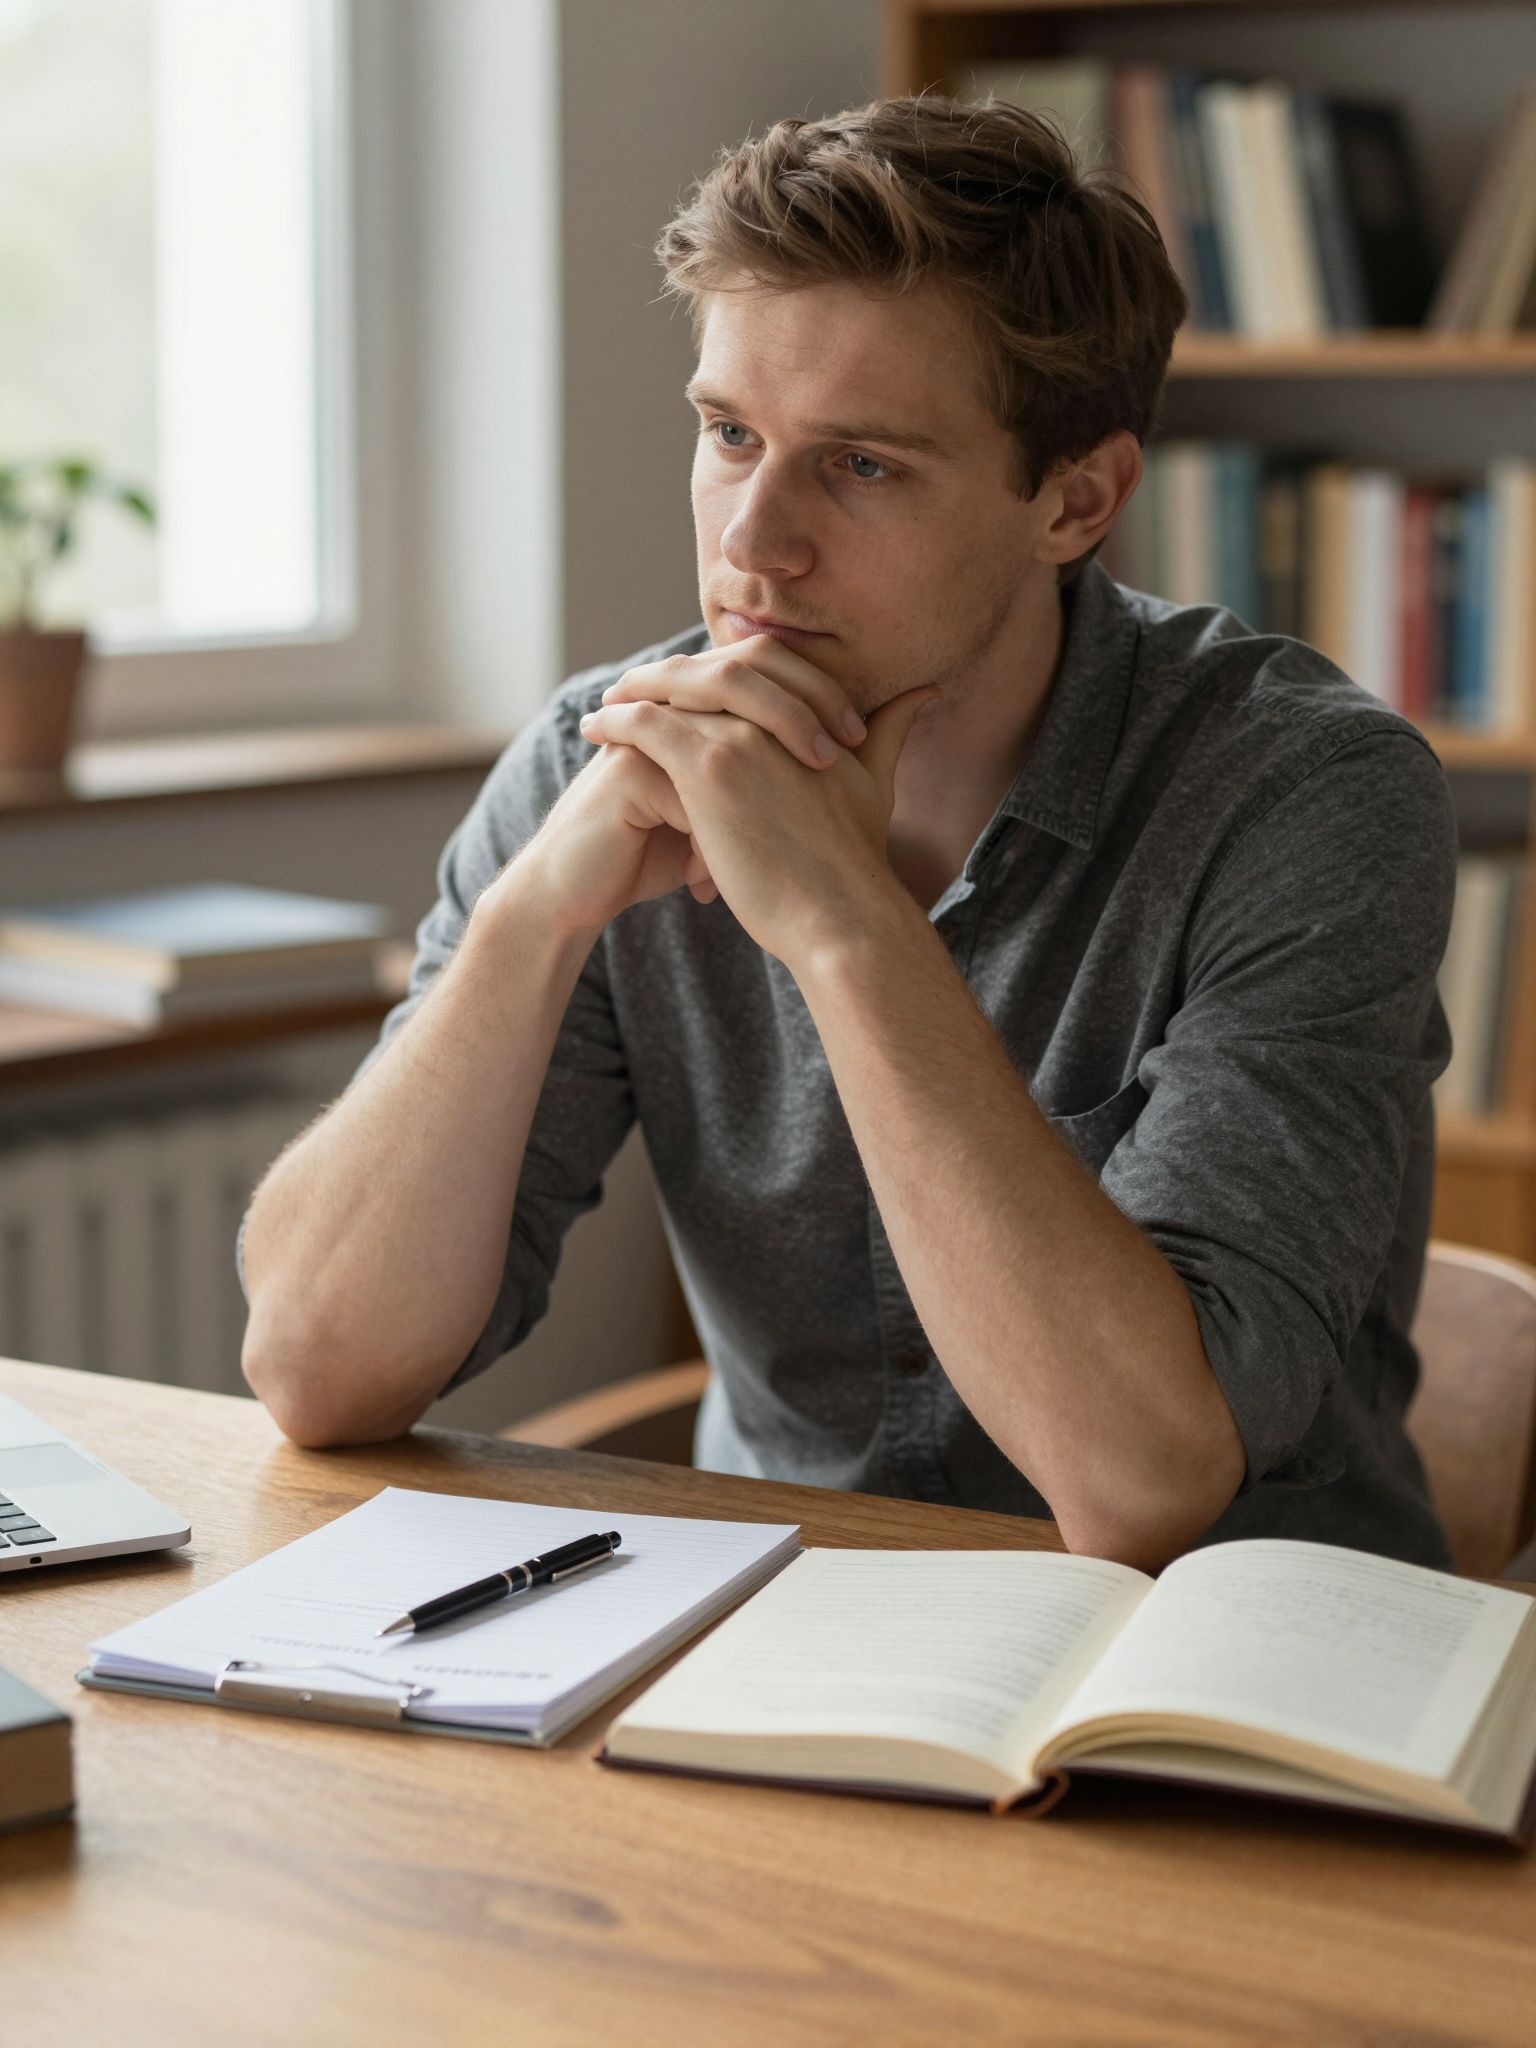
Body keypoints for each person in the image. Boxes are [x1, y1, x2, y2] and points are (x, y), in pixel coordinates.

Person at [238, 93, 1457, 1573]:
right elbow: (315, 1367)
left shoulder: (1307, 797)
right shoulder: (603, 754)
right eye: (728, 432)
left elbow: (1140, 1486)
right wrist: (531, 919)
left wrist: (841, 926)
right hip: (779, 1656)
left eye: (863, 464)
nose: (753, 540)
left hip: (1224, 1693)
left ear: (1077, 500)